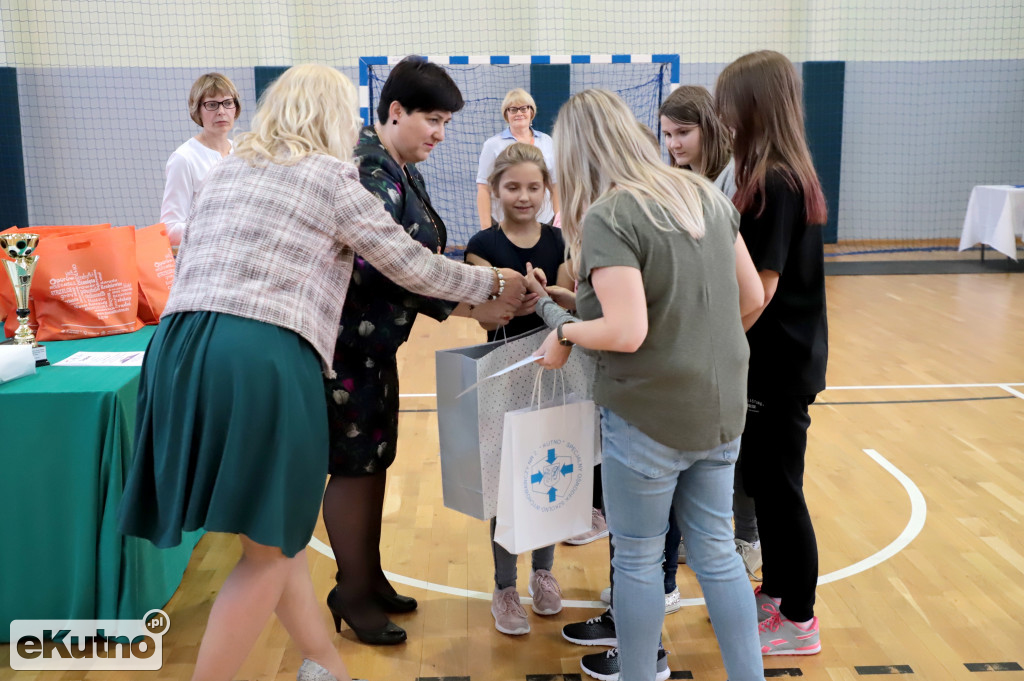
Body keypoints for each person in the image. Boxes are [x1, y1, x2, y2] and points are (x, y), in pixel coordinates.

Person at [116, 64, 526, 681]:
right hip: (258, 356)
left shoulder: (230, 169)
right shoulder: (331, 178)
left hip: (178, 350)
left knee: (272, 544)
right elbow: (412, 266)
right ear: (337, 116)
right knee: (273, 549)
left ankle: (325, 665)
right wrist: (495, 281)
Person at [534, 89, 765, 681]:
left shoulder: (610, 214)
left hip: (648, 417)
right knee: (717, 554)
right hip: (719, 410)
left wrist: (564, 330)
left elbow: (628, 330)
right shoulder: (702, 195)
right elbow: (752, 297)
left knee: (636, 560)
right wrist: (685, 344)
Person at [321, 57, 520, 647]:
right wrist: (473, 304)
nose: (439, 134)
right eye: (431, 120)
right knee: (354, 470)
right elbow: (392, 269)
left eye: (447, 123)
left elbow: (417, 261)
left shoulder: (402, 168)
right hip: (345, 349)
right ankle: (351, 591)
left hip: (375, 348)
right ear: (394, 112)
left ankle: (369, 575)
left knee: (375, 461)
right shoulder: (366, 170)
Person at [715, 50, 828, 656]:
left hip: (779, 362)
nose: (723, 114)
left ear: (756, 103)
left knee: (781, 488)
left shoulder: (777, 181)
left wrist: (713, 344)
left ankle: (800, 618)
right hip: (772, 360)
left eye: (730, 101)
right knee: (764, 482)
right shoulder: (770, 174)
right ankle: (778, 592)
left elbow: (762, 290)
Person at [463, 142, 572, 635]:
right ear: (497, 190)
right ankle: (504, 586)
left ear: (546, 189)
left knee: (549, 473)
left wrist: (550, 296)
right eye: (513, 187)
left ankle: (543, 574)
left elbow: (571, 306)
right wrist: (510, 300)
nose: (524, 196)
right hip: (502, 377)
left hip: (554, 376)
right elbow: (477, 310)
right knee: (508, 483)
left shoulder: (560, 241)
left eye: (533, 187)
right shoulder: (482, 246)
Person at [659, 85, 761, 580]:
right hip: (702, 331)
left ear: (709, 127)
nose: (674, 144)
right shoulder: (681, 179)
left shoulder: (731, 181)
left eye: (683, 133)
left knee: (734, 450)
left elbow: (751, 285)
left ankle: (747, 540)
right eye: (668, 135)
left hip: (730, 333)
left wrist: (726, 338)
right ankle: (697, 536)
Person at [160, 72, 240, 248]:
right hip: (203, 262)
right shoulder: (184, 158)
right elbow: (169, 229)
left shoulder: (243, 153)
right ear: (197, 110)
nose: (221, 111)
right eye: (212, 105)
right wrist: (216, 227)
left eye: (227, 103)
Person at [476, 89, 559, 230]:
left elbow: (555, 185)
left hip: (544, 222)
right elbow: (483, 187)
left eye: (523, 108)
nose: (519, 113)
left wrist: (558, 223)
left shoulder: (547, 141)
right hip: (503, 223)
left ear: (531, 112)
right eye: (513, 109)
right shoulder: (493, 145)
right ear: (506, 114)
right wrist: (486, 228)